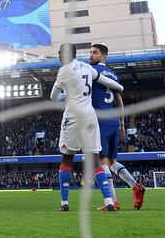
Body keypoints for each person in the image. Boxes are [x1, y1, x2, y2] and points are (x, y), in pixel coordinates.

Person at [51, 43, 124, 212]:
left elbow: (53, 97)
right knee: (95, 160)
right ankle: (109, 201)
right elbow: (106, 81)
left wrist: (66, 94)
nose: (59, 57)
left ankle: (64, 203)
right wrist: (119, 87)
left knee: (67, 158)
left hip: (73, 117)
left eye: (60, 54)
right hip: (90, 117)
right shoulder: (87, 67)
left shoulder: (64, 71)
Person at [89, 43, 145, 210]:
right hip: (113, 121)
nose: (91, 55)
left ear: (103, 56)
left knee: (101, 160)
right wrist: (121, 123)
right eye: (90, 52)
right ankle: (135, 186)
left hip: (99, 120)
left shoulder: (92, 72)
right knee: (112, 161)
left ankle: (112, 202)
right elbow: (119, 100)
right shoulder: (113, 74)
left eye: (95, 53)